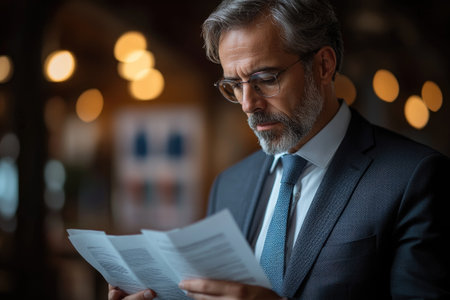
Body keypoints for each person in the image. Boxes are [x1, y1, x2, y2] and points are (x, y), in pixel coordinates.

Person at [109, 0, 450, 299]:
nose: (247, 104)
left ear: (324, 65)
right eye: (233, 85)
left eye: (266, 79)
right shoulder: (229, 185)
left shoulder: (414, 179)